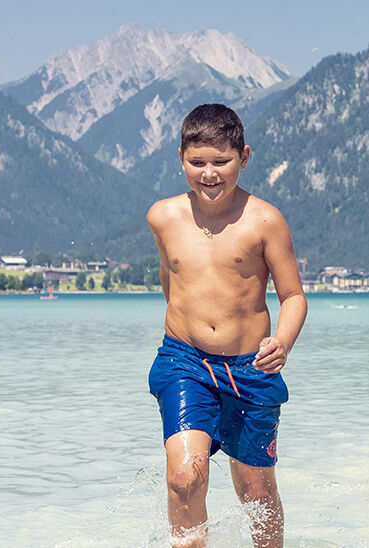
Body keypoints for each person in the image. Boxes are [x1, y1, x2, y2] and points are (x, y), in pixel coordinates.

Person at [144, 103, 308, 548]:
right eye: (197, 163)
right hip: (184, 361)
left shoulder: (265, 220)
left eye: (222, 161)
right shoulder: (162, 217)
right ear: (181, 158)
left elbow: (293, 296)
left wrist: (284, 342)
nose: (209, 173)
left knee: (255, 490)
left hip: (251, 368)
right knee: (184, 477)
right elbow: (172, 280)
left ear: (245, 156)